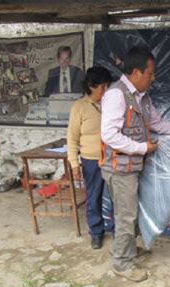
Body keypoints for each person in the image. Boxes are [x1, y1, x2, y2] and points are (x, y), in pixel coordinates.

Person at [100, 46, 170, 282]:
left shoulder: (143, 98)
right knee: (126, 216)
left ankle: (128, 251)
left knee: (133, 213)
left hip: (135, 167)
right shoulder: (116, 95)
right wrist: (143, 148)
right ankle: (122, 263)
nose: (153, 78)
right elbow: (109, 135)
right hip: (120, 168)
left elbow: (159, 124)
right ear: (136, 72)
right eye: (150, 73)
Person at [67, 66, 113, 249]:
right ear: (92, 86)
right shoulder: (79, 107)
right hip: (90, 160)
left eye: (108, 86)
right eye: (103, 86)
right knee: (94, 197)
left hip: (112, 158)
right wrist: (74, 164)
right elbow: (72, 138)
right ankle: (96, 232)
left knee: (117, 196)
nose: (106, 90)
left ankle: (119, 230)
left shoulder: (111, 104)